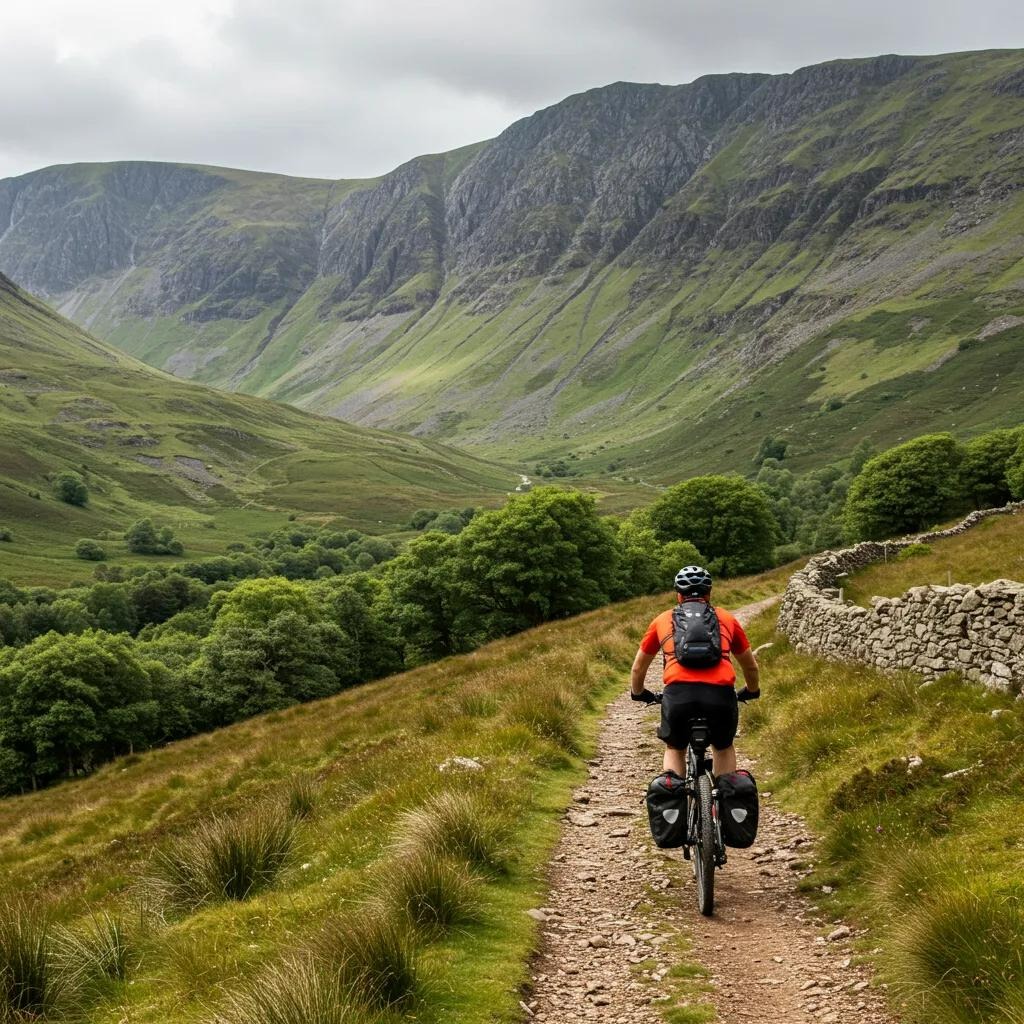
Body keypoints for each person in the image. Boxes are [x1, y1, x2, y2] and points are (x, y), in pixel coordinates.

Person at [629, 565, 760, 778]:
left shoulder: (662, 619)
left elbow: (638, 668)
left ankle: (673, 793)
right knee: (723, 747)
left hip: (678, 696)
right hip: (720, 696)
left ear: (679, 595)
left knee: (675, 748)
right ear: (709, 594)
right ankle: (726, 795)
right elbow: (750, 666)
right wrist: (752, 690)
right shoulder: (727, 618)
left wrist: (638, 693)